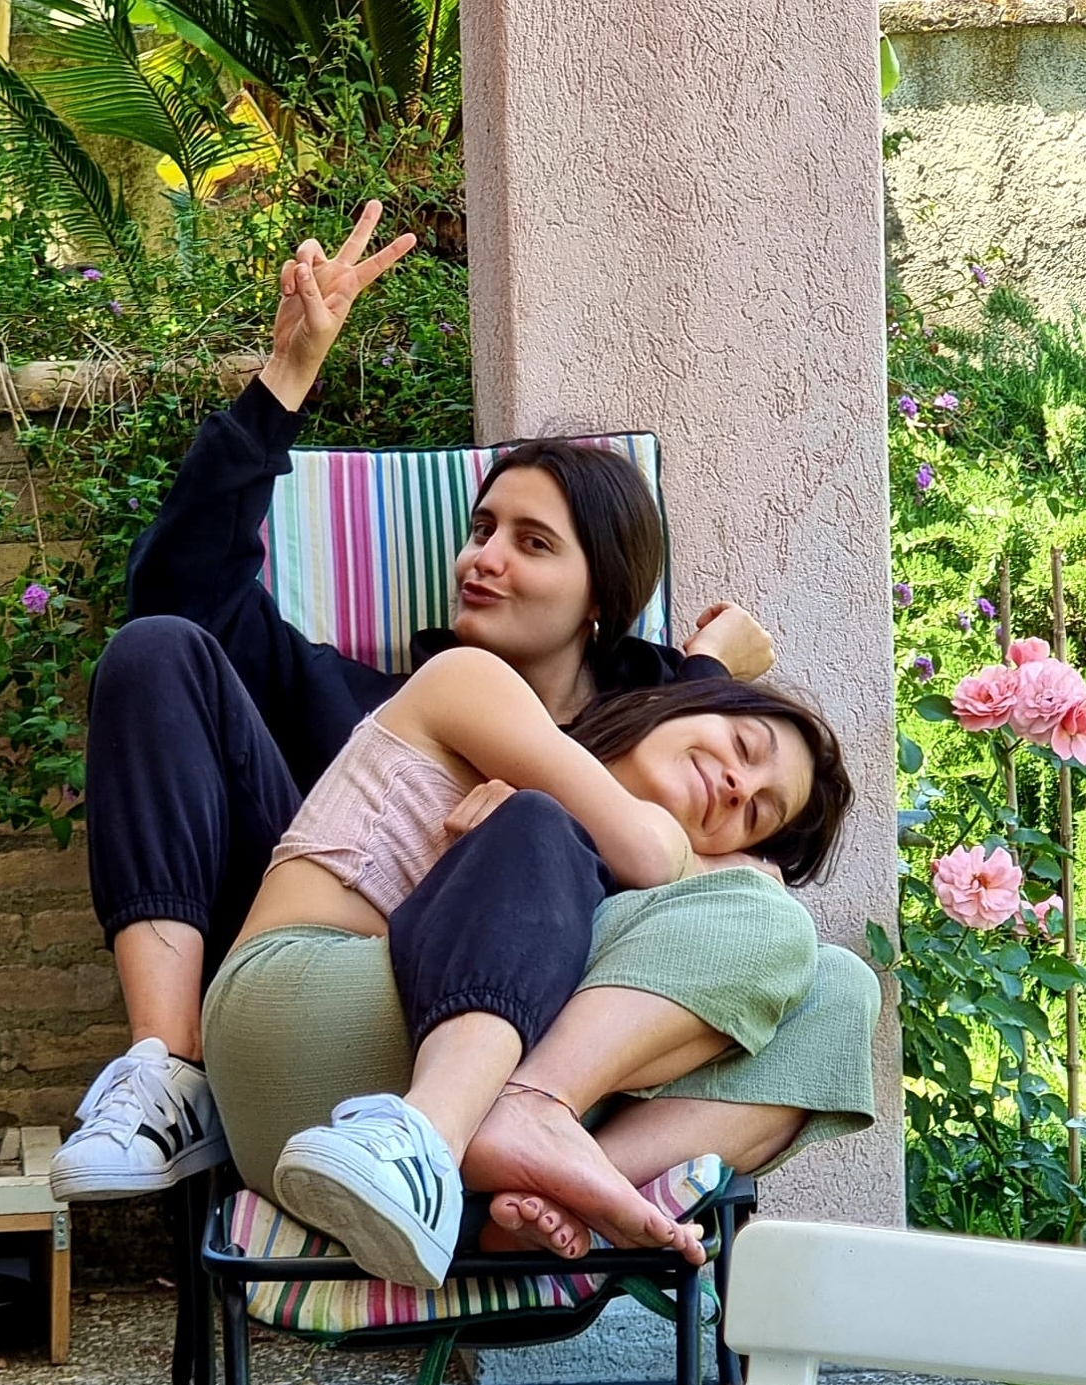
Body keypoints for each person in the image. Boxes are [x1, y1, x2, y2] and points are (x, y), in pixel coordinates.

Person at [49, 201, 842, 1207]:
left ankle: (534, 1176)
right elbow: (178, 593)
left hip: (535, 1038)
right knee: (157, 647)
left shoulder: (669, 760)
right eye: (482, 530)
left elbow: (670, 816)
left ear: (602, 598)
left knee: (819, 978)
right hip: (325, 991)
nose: (484, 559)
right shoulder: (362, 701)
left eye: (532, 543)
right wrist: (286, 374)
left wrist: (700, 680)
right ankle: (169, 1072)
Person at [199, 649, 855, 1287]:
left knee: (839, 992)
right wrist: (738, 873)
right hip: (293, 1021)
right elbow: (650, 853)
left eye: (754, 816)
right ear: (671, 702)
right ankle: (510, 1113)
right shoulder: (475, 680)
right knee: (561, 832)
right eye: (744, 745)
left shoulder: (647, 926)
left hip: (441, 1180)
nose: (739, 787)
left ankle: (554, 1187)